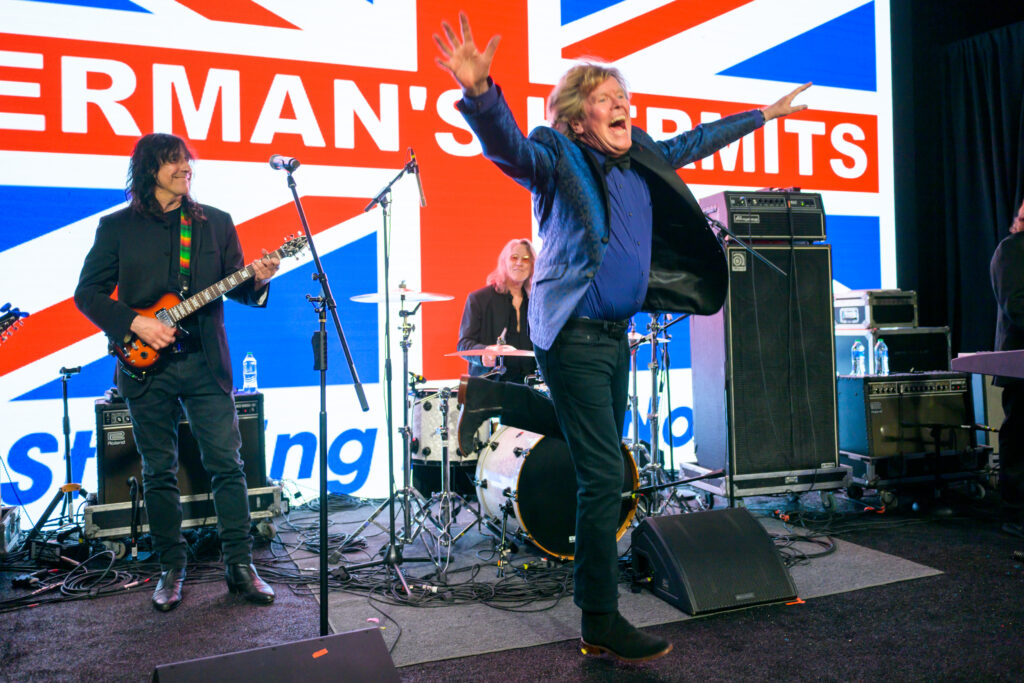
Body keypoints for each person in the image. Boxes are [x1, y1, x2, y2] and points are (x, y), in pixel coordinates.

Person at [435, 12, 810, 662]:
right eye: (608, 101)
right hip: (571, 333)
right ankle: (601, 617)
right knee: (606, 472)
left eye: (625, 101)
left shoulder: (640, 159)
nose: (623, 109)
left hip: (614, 337)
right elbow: (510, 149)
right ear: (579, 117)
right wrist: (480, 95)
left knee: (600, 476)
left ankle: (596, 616)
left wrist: (762, 115)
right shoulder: (558, 153)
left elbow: (696, 139)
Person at [74, 133, 280, 611]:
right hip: (146, 369)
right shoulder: (116, 227)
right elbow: (87, 294)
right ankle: (171, 566)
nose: (185, 168)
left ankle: (240, 566)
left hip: (205, 364)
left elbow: (238, 288)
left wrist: (260, 281)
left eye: (187, 161)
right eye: (173, 162)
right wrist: (136, 322)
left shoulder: (216, 223)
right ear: (150, 170)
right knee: (158, 471)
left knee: (228, 466)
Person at [457, 238, 538, 384]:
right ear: (504, 262)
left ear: (532, 266)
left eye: (525, 259)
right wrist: (484, 352)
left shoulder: (536, 302)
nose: (519, 263)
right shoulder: (479, 299)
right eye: (514, 257)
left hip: (529, 386)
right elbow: (463, 345)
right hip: (491, 386)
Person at [990, 198, 1024, 535]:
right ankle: (1015, 512)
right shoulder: (1011, 250)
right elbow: (1017, 304)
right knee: (1020, 434)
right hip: (1021, 360)